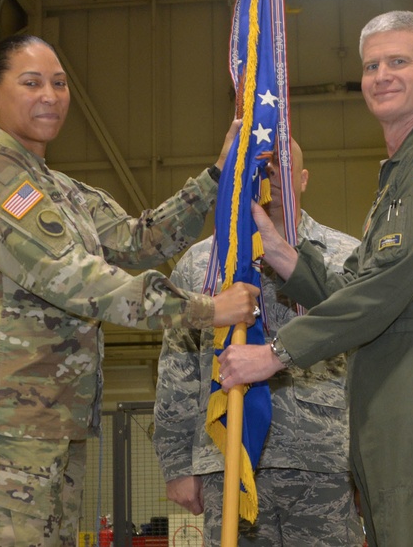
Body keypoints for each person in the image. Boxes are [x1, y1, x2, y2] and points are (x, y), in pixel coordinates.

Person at [0, 33, 260, 547]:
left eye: (59, 84)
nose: (50, 96)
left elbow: (140, 240)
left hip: (50, 426)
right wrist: (205, 310)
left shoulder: (65, 192)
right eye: (31, 82)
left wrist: (218, 174)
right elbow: (72, 277)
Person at [218, 11, 413, 546]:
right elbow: (359, 286)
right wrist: (285, 256)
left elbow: (388, 287)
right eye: (371, 65)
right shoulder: (397, 175)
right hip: (389, 401)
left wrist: (275, 353)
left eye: (399, 61)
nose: (381, 75)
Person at [152, 138, 362, 547]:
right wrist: (177, 464)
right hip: (228, 462)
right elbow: (177, 369)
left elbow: (367, 365)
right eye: (261, 167)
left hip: (325, 463)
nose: (270, 176)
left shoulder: (344, 257)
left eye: (282, 167)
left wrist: (369, 466)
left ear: (303, 179)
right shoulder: (201, 264)